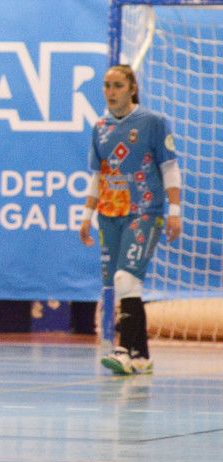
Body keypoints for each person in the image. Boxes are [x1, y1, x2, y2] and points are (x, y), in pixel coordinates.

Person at [78, 64, 182, 375]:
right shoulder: (100, 128)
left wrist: (174, 212)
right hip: (110, 214)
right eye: (107, 86)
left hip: (145, 211)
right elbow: (98, 175)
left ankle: (122, 349)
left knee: (125, 279)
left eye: (118, 86)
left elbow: (170, 169)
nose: (111, 92)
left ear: (132, 88)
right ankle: (141, 355)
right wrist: (86, 215)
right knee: (125, 285)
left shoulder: (153, 122)